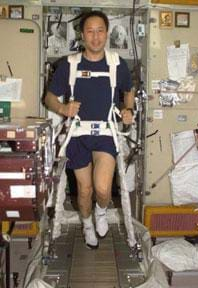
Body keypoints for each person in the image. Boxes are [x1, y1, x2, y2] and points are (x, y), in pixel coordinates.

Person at [45, 10, 134, 249]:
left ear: (107, 34)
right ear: (82, 34)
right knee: (84, 191)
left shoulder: (117, 64)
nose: (95, 37)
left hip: (105, 133)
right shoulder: (70, 65)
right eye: (90, 31)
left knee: (103, 189)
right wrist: (64, 108)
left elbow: (128, 91)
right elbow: (49, 98)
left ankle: (101, 212)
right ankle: (86, 224)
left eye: (100, 31)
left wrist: (128, 110)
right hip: (78, 134)